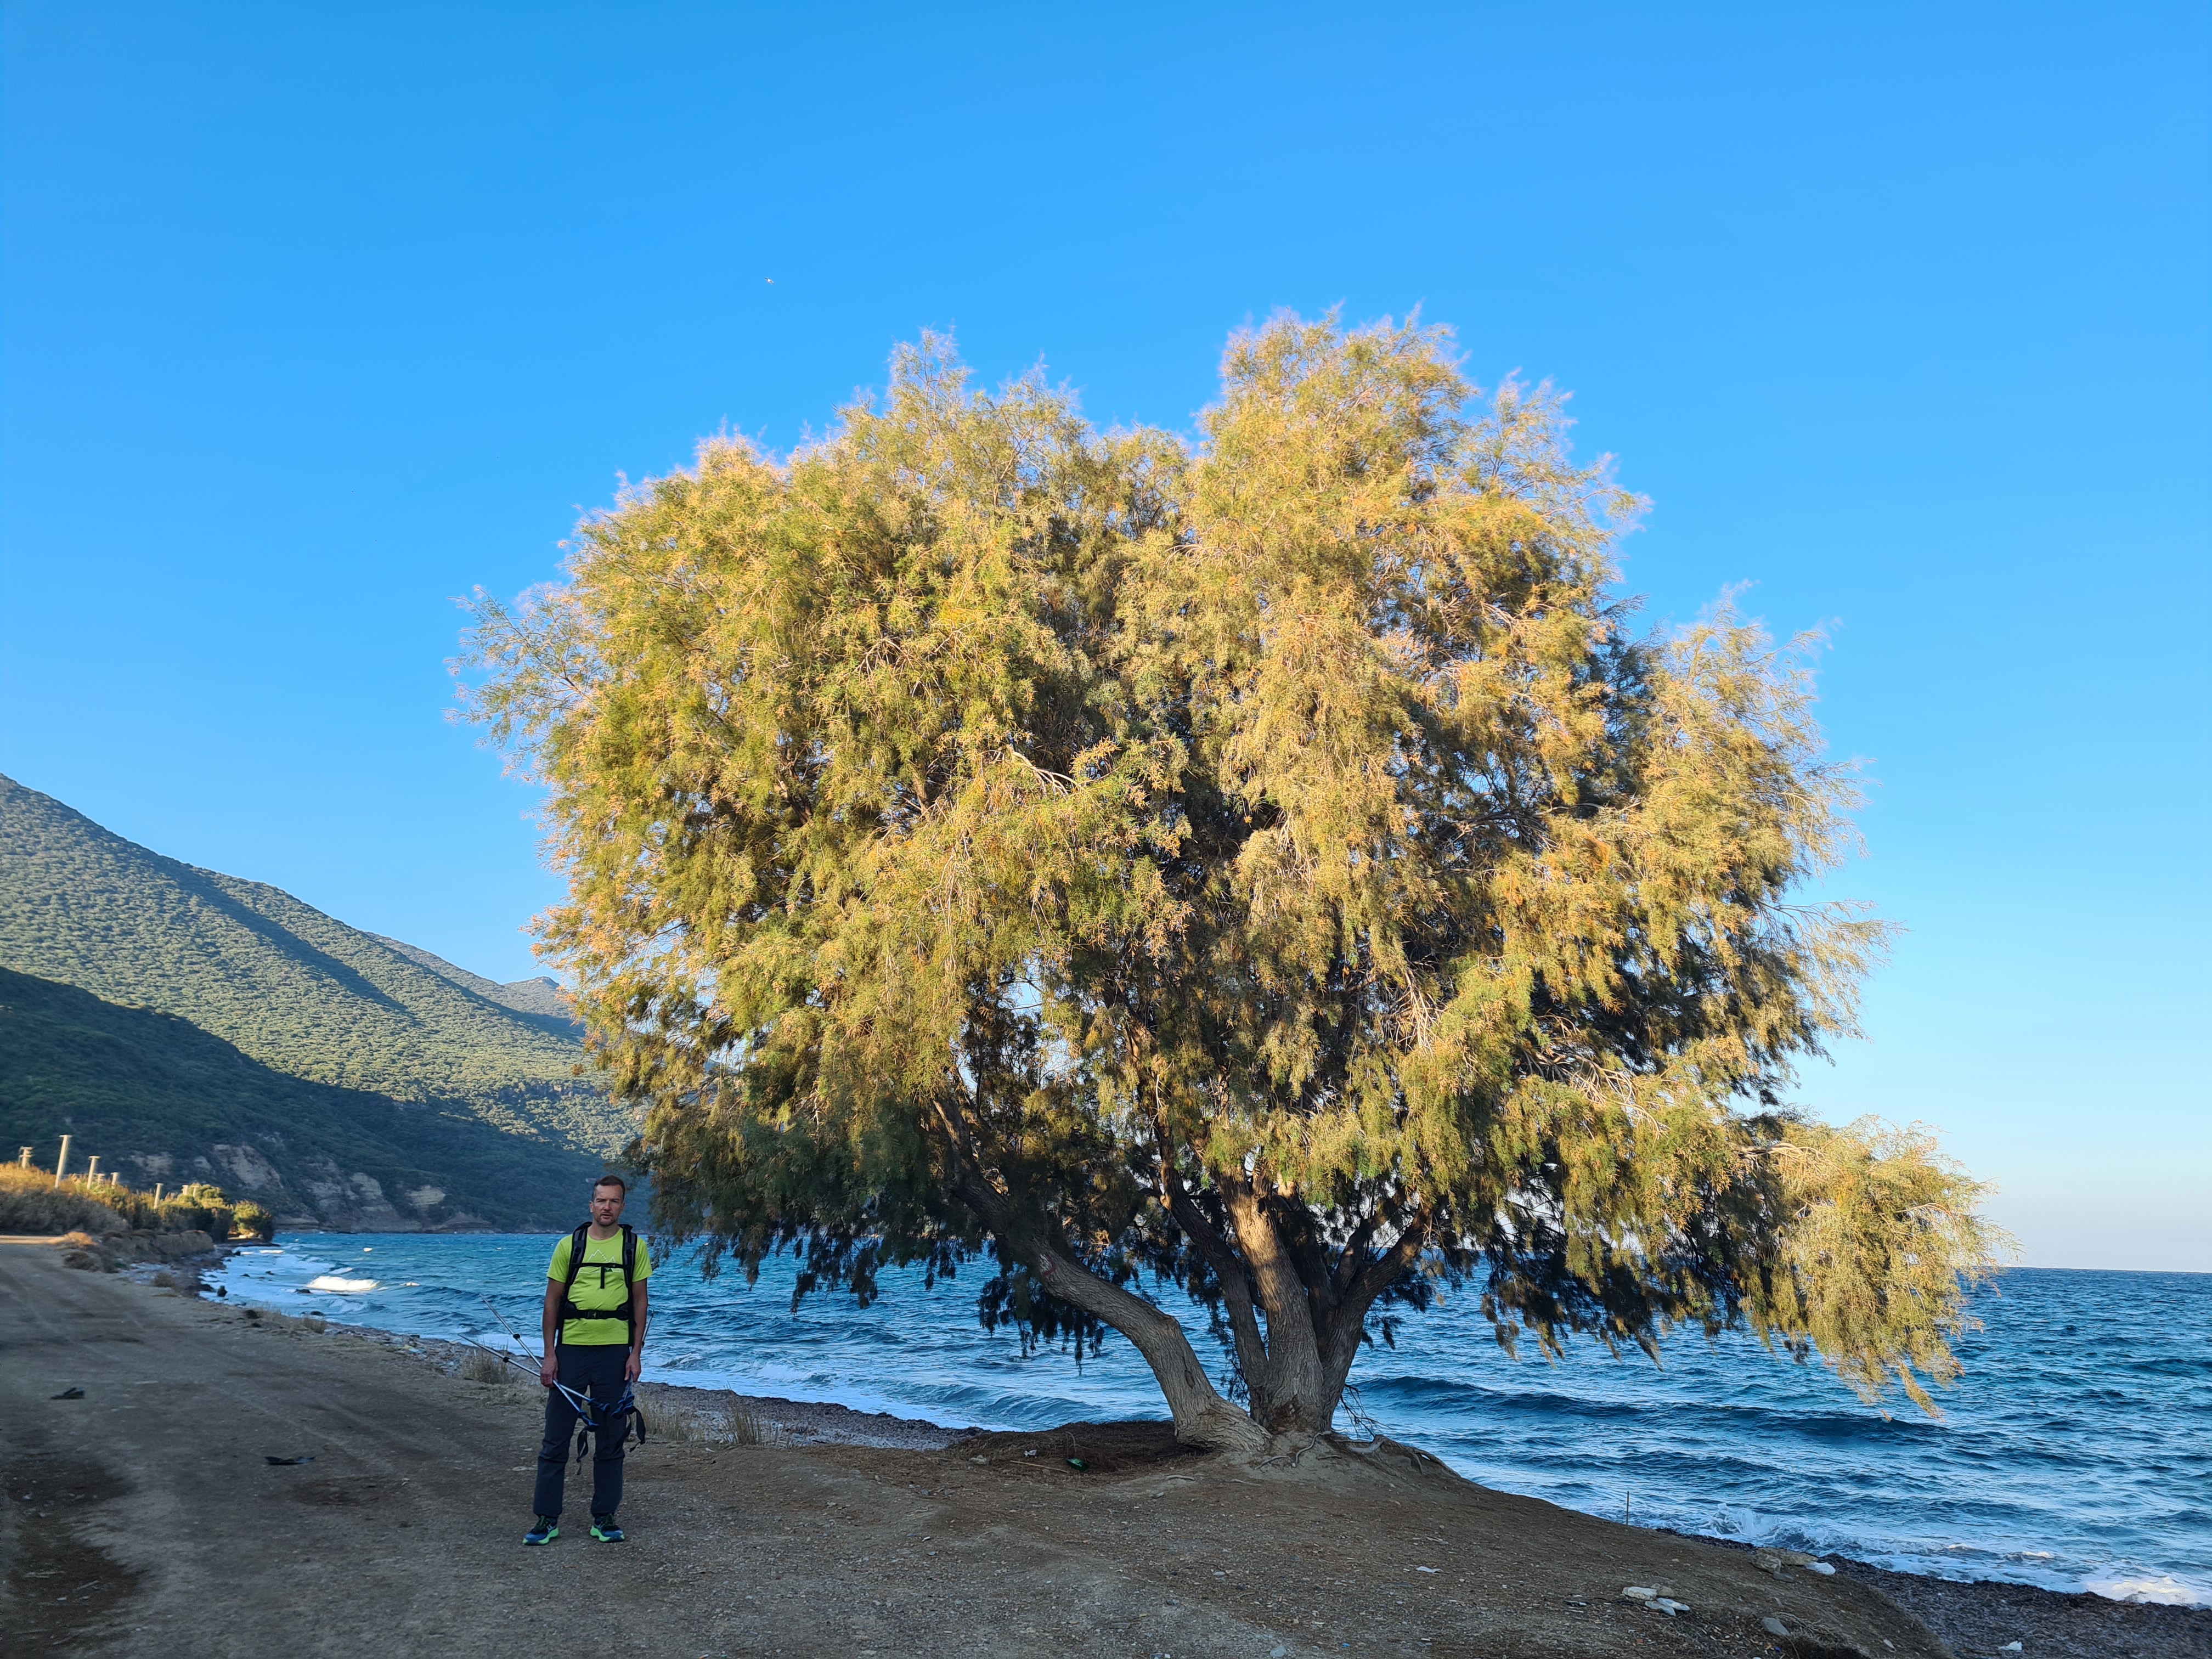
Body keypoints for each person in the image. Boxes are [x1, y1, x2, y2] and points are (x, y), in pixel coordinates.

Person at [523, 1175, 651, 1545]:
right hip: (572, 1352)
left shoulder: (634, 1247)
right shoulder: (570, 1245)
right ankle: (546, 1519)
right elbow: (552, 1302)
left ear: (622, 1207)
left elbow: (640, 1301)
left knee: (611, 1438)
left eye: (614, 1201)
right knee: (556, 1438)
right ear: (591, 1205)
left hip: (615, 1354)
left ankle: (605, 1517)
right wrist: (550, 1355)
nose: (607, 1207)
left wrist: (636, 1354)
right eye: (601, 1201)